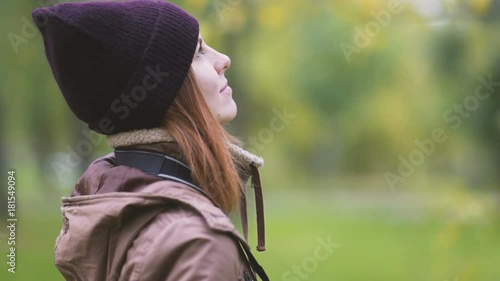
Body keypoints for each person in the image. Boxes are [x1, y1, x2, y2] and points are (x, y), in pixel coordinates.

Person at [31, 0, 269, 280]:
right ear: (164, 92)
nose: (224, 59)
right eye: (198, 53)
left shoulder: (110, 194)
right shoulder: (197, 247)